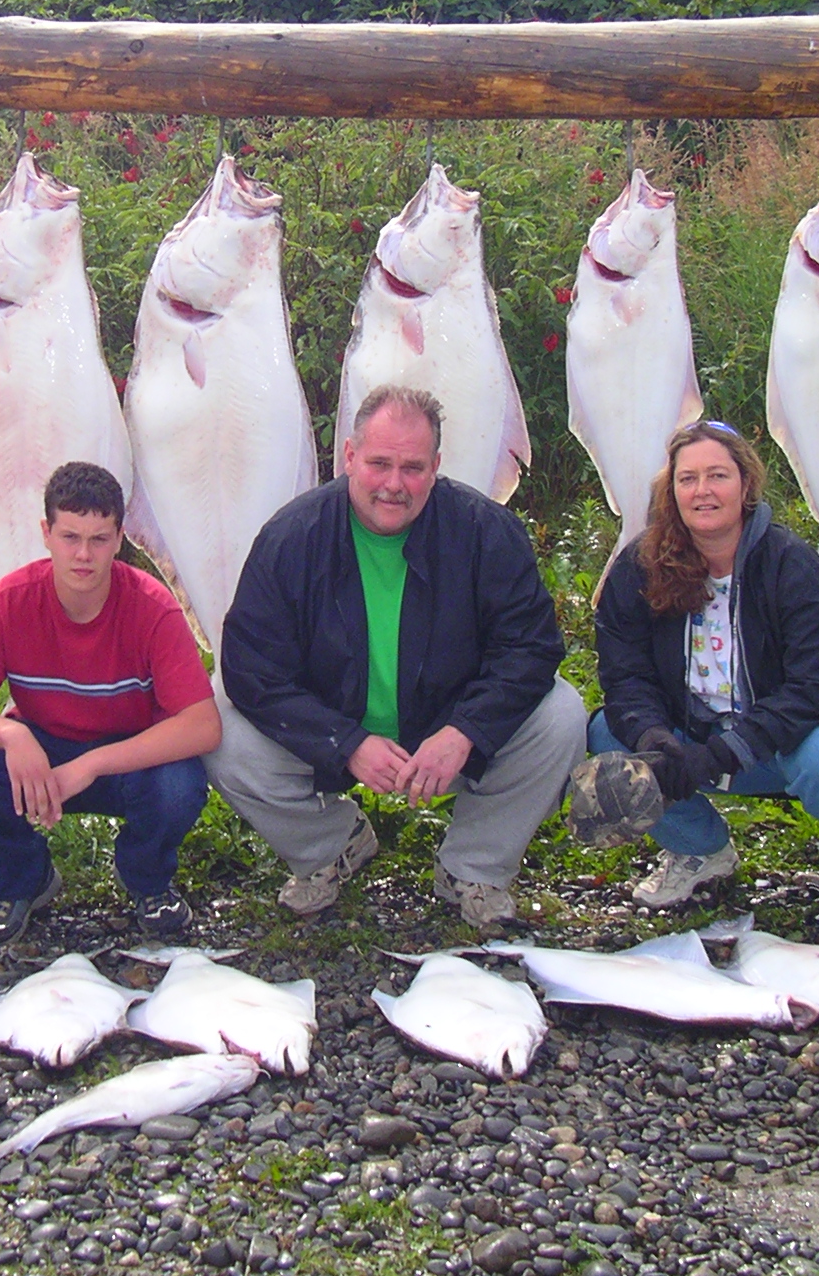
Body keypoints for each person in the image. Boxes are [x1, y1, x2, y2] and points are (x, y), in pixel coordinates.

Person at [210, 384, 585, 930]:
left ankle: (473, 869)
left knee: (562, 713)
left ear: (436, 466)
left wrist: (465, 732)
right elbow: (251, 668)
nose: (393, 484)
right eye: (379, 463)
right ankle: (331, 847)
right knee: (219, 718)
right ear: (349, 456)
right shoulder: (291, 538)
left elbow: (530, 649)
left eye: (412, 468)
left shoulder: (487, 532)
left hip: (443, 738)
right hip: (335, 737)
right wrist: (345, 743)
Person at [589, 420, 819, 928]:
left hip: (787, 741)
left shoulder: (791, 564)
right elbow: (624, 673)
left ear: (746, 484)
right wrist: (658, 739)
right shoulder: (640, 566)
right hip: (696, 735)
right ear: (671, 491)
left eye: (717, 475)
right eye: (687, 478)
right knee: (610, 733)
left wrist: (730, 750)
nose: (702, 491)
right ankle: (699, 852)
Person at [0, 461, 218, 944]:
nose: (83, 554)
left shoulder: (152, 607)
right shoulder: (9, 602)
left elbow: (203, 726)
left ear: (119, 538)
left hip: (126, 755)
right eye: (70, 537)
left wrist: (91, 765)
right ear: (45, 533)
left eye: (99, 539)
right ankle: (21, 882)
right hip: (40, 753)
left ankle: (147, 880)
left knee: (180, 783)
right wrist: (11, 733)